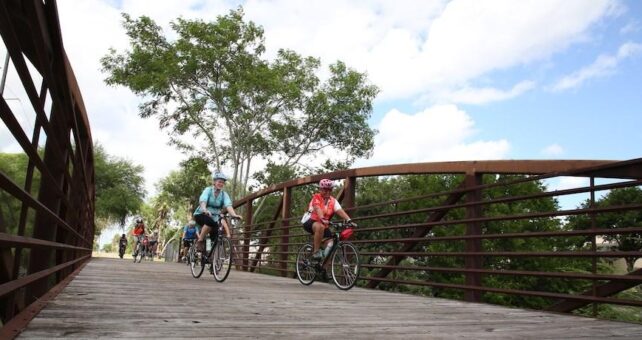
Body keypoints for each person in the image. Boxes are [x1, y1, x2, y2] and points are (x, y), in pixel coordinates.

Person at [302, 179, 355, 260]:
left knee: (331, 246)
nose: (328, 192)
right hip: (310, 221)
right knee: (320, 227)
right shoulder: (316, 197)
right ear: (320, 189)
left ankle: (323, 269)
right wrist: (322, 218)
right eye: (325, 189)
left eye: (330, 189)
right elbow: (317, 208)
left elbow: (339, 210)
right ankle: (316, 252)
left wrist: (349, 220)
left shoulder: (333, 201)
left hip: (323, 224)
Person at [194, 172, 242, 252]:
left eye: (223, 182)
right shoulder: (208, 190)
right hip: (201, 214)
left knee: (216, 235)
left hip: (215, 217)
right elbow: (203, 200)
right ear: (214, 182)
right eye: (219, 181)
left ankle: (211, 256)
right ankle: (200, 240)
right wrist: (205, 209)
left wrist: (234, 215)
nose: (221, 184)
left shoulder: (224, 194)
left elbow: (228, 205)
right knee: (210, 222)